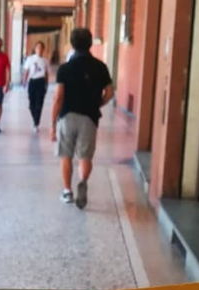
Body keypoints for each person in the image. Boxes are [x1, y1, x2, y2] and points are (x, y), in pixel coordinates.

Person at [51, 28, 114, 209]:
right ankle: (83, 181)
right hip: (89, 118)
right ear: (90, 43)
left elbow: (58, 97)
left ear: (72, 44)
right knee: (85, 156)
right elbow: (109, 93)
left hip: (67, 116)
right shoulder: (100, 67)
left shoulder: (65, 68)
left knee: (66, 155)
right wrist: (97, 104)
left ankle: (67, 191)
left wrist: (53, 124)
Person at [22, 41, 50, 133]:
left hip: (41, 82)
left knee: (39, 104)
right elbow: (26, 71)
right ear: (35, 49)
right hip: (32, 82)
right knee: (31, 104)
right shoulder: (30, 59)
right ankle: (35, 119)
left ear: (43, 49)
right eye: (38, 47)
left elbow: (46, 74)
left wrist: (46, 84)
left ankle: (36, 123)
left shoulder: (45, 61)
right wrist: (24, 81)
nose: (39, 49)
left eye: (41, 48)